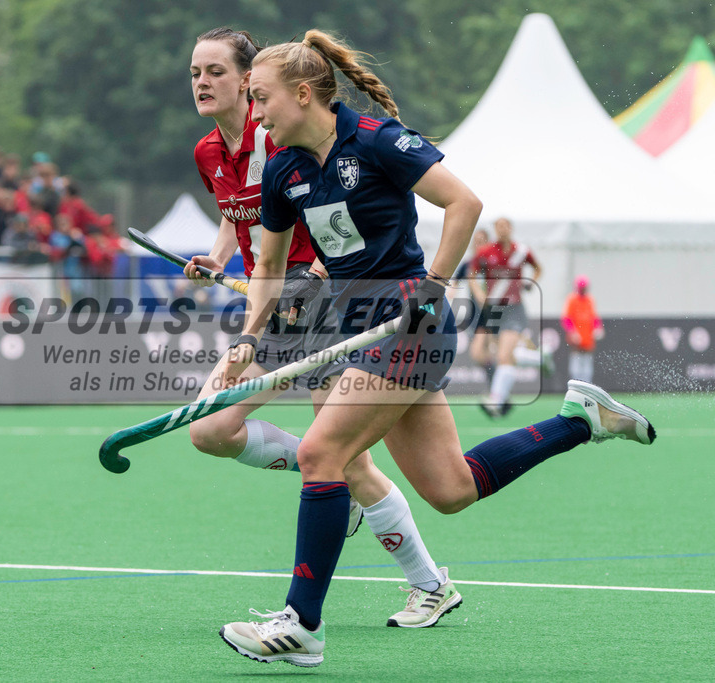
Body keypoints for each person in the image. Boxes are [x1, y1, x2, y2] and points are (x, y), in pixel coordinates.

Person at [216, 30, 656, 667]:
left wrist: (433, 285)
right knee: (451, 489)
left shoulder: (374, 140)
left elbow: (463, 202)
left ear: (304, 94)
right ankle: (579, 420)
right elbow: (271, 264)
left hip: (410, 325)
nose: (254, 115)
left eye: (261, 99)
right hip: (352, 329)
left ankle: (300, 625)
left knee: (321, 451)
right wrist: (251, 334)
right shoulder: (282, 169)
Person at [184, 27, 457, 629]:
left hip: (324, 303)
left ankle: (425, 583)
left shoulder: (285, 130)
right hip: (271, 307)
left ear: (251, 80)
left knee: (344, 459)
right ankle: (328, 490)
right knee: (211, 429)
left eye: (216, 73)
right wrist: (221, 258)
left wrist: (315, 274)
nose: (203, 83)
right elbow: (243, 220)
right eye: (195, 73)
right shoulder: (209, 152)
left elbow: (334, 219)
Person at [468, 217, 542, 418]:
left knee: (503, 356)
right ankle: (540, 359)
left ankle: (497, 400)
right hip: (493, 310)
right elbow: (472, 275)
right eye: (498, 227)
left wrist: (530, 283)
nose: (502, 230)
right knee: (487, 354)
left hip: (514, 310)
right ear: (495, 230)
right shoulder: (485, 252)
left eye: (505, 226)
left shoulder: (521, 251)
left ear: (511, 228)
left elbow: (538, 268)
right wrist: (479, 294)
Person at [562, 275, 603, 382]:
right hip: (576, 339)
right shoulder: (572, 299)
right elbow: (566, 319)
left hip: (587, 338)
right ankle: (576, 385)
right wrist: (573, 332)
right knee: (576, 362)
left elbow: (594, 317)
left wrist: (598, 328)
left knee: (587, 363)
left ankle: (587, 385)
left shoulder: (590, 299)